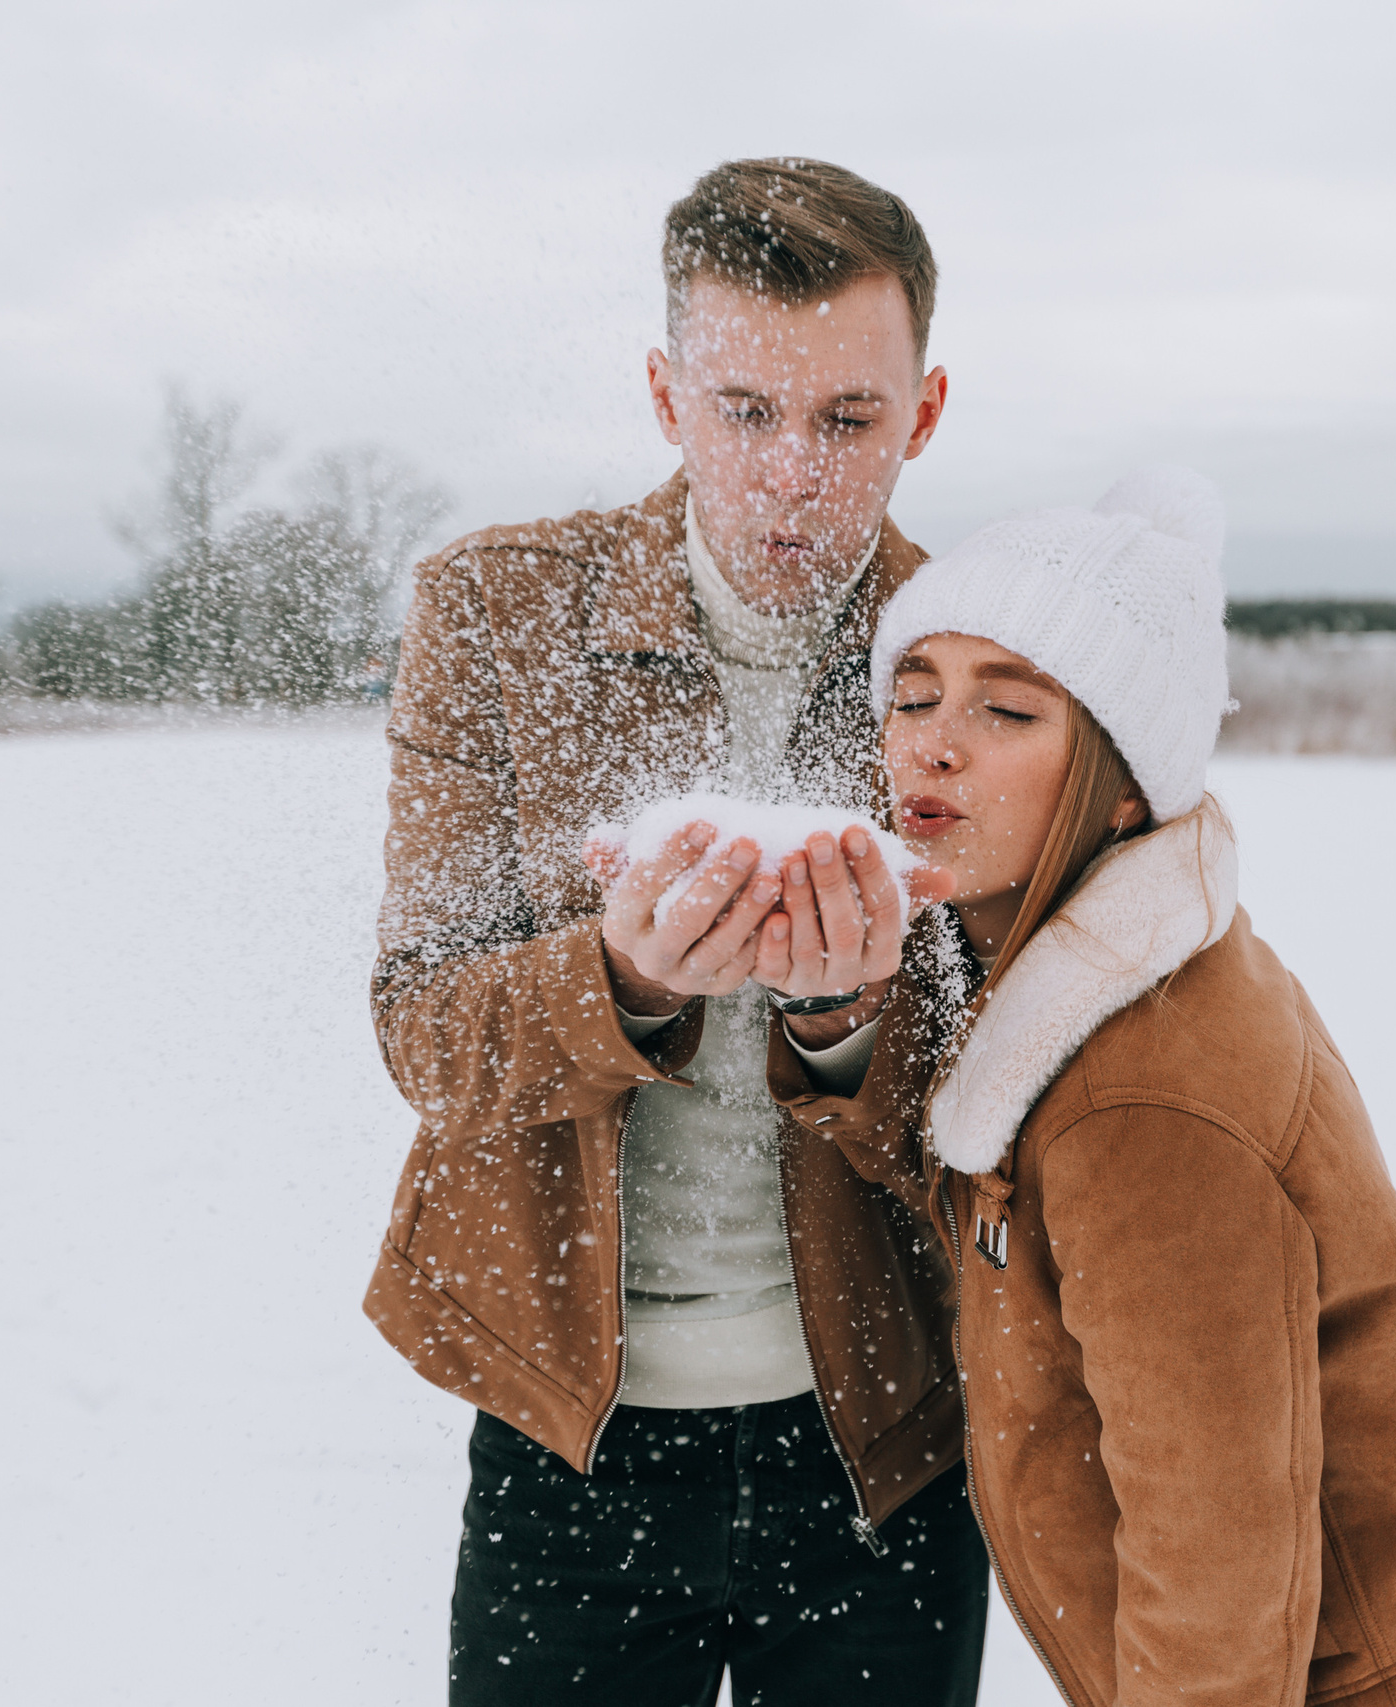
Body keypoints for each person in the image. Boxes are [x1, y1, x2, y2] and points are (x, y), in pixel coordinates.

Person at [766, 467, 1396, 1706]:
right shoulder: (1059, 961)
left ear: (1125, 777)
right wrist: (833, 1012)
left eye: (1008, 711)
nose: (929, 737)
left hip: (1372, 1675)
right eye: (913, 695)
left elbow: (1217, 1553)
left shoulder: (1137, 1099)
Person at [361, 157, 990, 1705]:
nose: (792, 472)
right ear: (665, 394)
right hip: (568, 1440)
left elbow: (1015, 1125)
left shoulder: (981, 661)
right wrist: (619, 980)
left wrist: (850, 1018)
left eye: (848, 420)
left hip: (887, 1449)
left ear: (922, 413)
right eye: (744, 411)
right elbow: (423, 1029)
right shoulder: (494, 617)